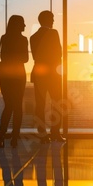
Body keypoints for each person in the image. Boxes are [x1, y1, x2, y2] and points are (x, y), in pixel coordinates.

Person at [30, 10, 66, 143]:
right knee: (56, 104)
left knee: (40, 104)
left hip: (39, 74)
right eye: (52, 18)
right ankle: (55, 133)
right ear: (47, 20)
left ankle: (42, 134)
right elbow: (59, 53)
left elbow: (35, 56)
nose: (53, 21)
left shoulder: (33, 37)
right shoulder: (53, 33)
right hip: (53, 75)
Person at [0, 15, 29, 148]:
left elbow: (3, 56)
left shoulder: (4, 38)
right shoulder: (23, 39)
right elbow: (25, 59)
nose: (25, 26)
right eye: (23, 23)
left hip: (5, 76)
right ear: (18, 24)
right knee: (18, 107)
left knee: (8, 105)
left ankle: (1, 136)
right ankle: (15, 137)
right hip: (19, 75)